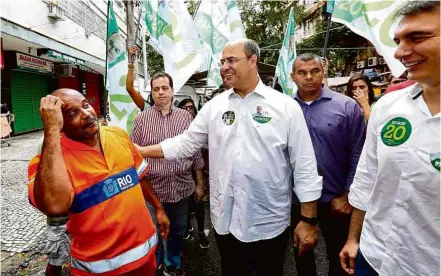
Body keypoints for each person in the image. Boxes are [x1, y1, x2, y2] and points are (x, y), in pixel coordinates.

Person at [134, 38, 323, 276]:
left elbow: (304, 165)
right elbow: (185, 143)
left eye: (232, 60)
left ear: (253, 61)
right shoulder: (215, 107)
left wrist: (308, 219)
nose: (224, 67)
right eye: (223, 62)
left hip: (268, 220)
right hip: (226, 220)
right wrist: (141, 151)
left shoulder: (285, 107)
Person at [340, 2, 440, 276]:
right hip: (374, 256)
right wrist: (353, 239)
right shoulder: (388, 106)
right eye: (398, 41)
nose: (399, 52)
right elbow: (367, 177)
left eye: (417, 37)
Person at [27, 89, 169, 276]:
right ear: (60, 123)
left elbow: (139, 176)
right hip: (98, 270)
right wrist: (51, 131)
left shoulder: (119, 135)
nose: (86, 114)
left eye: (86, 105)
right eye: (73, 113)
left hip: (146, 258)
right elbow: (54, 205)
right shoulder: (51, 161)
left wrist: (158, 208)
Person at [290, 53, 366, 276]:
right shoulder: (284, 108)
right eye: (302, 73)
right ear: (293, 76)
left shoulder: (347, 107)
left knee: (339, 258)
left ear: (323, 73)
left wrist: (347, 193)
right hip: (296, 200)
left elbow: (359, 154)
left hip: (336, 200)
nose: (309, 77)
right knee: (302, 255)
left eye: (314, 71)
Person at [131, 73, 205, 276]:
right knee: (154, 231)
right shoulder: (141, 120)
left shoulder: (186, 117)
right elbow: (133, 155)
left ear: (172, 90)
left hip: (182, 189)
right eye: (156, 89)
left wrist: (199, 183)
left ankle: (172, 265)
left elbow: (195, 151)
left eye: (165, 88)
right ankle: (155, 266)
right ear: (152, 93)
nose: (161, 92)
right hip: (152, 190)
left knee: (177, 231)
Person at [177, 98, 210, 249]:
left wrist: (202, 182)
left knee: (198, 204)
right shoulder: (176, 125)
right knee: (186, 206)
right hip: (181, 175)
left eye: (191, 107)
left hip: (198, 172)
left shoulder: (201, 125)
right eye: (185, 107)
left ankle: (202, 232)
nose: (188, 110)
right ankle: (186, 228)